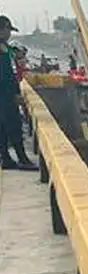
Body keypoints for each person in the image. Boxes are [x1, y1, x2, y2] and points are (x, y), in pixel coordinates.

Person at [0, 16, 37, 171]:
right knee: (14, 125)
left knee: (2, 128)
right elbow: (6, 76)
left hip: (4, 94)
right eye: (8, 30)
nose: (9, 34)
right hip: (5, 95)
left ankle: (6, 159)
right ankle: (22, 159)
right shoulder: (2, 50)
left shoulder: (5, 47)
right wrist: (15, 94)